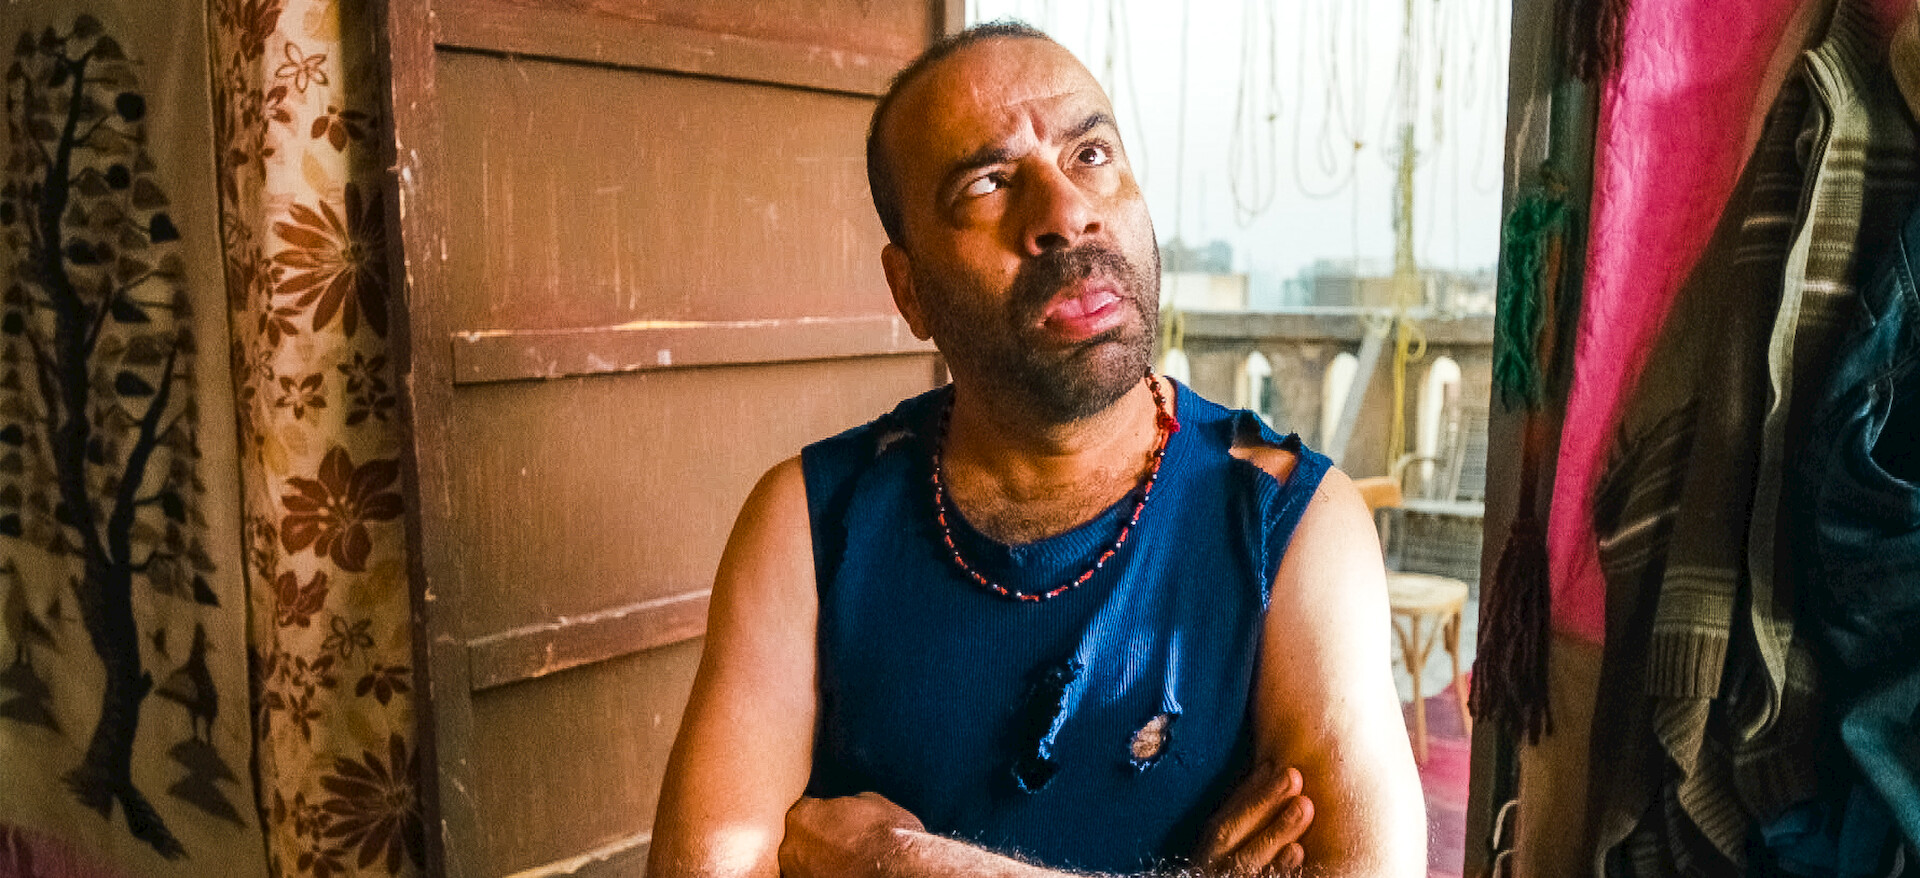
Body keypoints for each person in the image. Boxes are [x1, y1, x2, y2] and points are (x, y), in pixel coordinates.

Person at [648, 21, 1425, 878]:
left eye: (1091, 155)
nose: (1065, 214)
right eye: (988, 183)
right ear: (910, 291)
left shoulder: (1287, 521)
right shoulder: (810, 523)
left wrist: (900, 864)